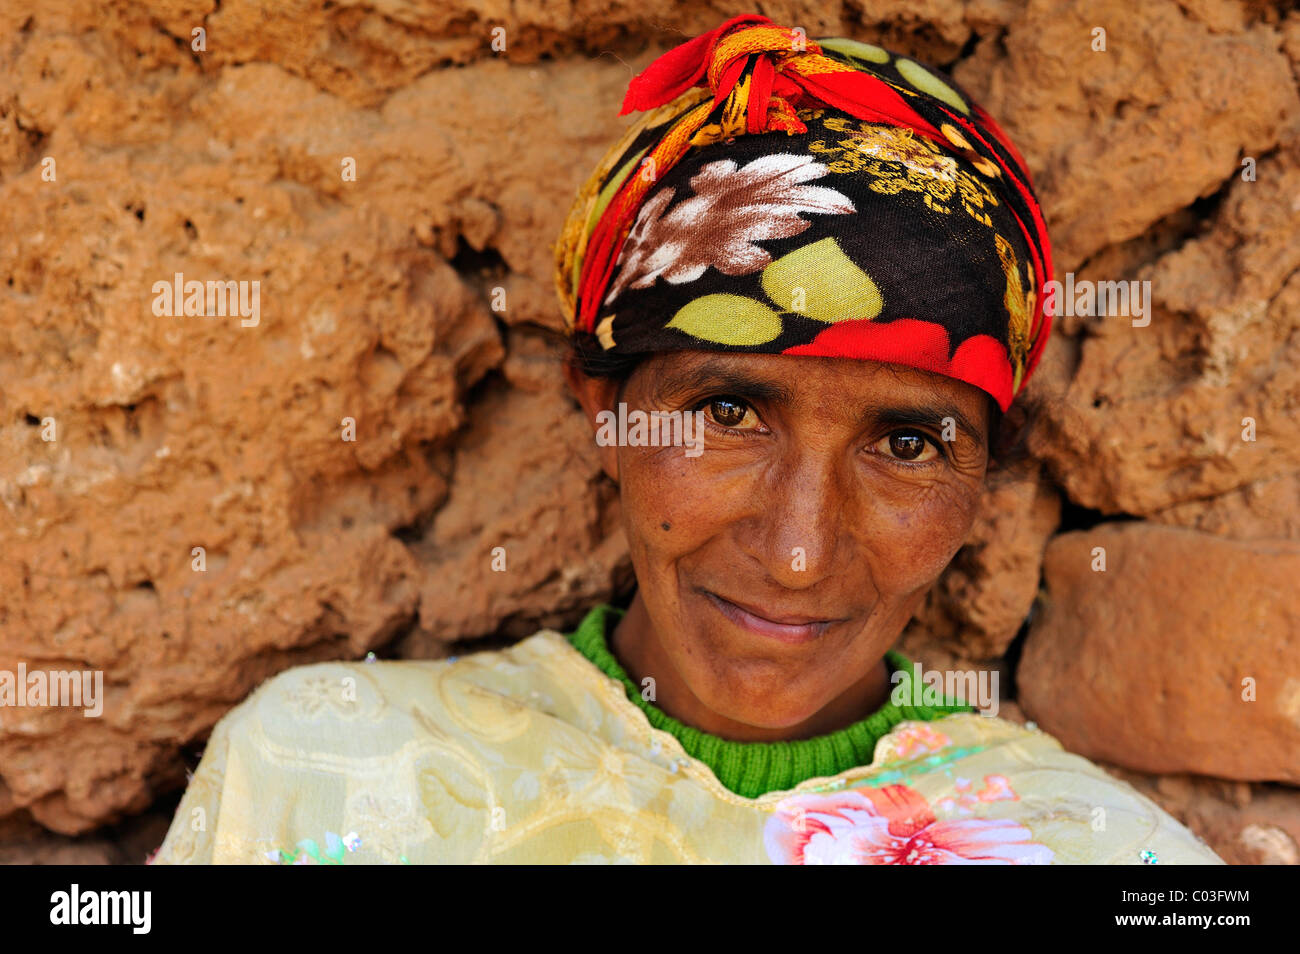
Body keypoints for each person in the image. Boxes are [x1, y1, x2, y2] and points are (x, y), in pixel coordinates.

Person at [152, 13, 1222, 865]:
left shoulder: (1104, 857)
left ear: (985, 473)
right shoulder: (319, 772)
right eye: (726, 414)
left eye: (905, 445)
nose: (798, 551)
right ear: (601, 410)